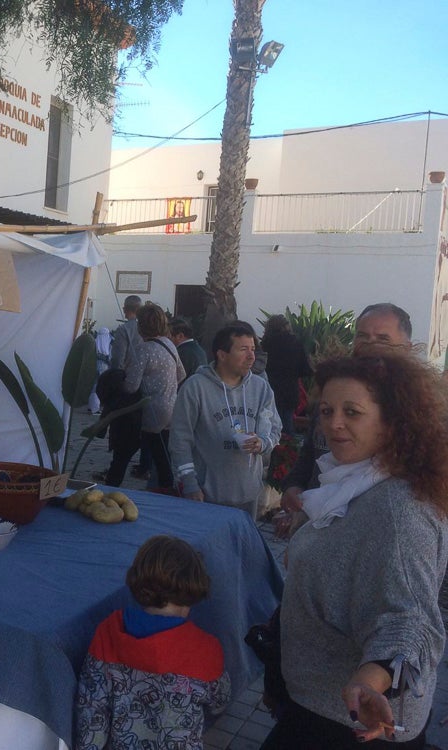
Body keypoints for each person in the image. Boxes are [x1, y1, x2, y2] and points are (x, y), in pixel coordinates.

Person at [260, 351, 448, 749]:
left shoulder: (399, 510)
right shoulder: (354, 483)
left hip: (352, 725)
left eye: (353, 412)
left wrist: (370, 680)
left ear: (393, 421)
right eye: (326, 410)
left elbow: (410, 619)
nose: (334, 423)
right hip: (321, 706)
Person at [74, 535, 231, 750]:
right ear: (194, 587)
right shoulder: (206, 649)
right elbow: (219, 702)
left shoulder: (109, 632)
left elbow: (92, 710)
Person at [278, 303, 413, 534]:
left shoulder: (416, 412)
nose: (370, 346)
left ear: (406, 348)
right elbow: (311, 453)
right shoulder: (336, 390)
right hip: (316, 525)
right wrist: (294, 486)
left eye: (383, 338)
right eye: (362, 336)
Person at [169, 322, 282, 518]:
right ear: (222, 355)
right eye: (243, 349)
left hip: (249, 495)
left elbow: (274, 430)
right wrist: (189, 485)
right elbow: (180, 440)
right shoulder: (195, 388)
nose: (252, 356)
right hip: (207, 495)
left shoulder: (260, 388)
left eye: (253, 349)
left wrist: (261, 443)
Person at [105, 303, 185, 489]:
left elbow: (131, 387)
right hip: (169, 408)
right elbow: (182, 374)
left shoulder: (144, 349)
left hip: (147, 412)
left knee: (123, 452)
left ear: (141, 325)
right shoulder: (169, 345)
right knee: (161, 456)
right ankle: (167, 490)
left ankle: (110, 486)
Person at [260, 315, 314, 435]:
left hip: (267, 391)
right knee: (286, 428)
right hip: (289, 392)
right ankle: (287, 451)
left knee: (266, 427)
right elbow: (305, 370)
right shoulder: (294, 343)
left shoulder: (264, 344)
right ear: (285, 326)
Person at [109, 295, 143, 371]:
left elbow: (118, 358)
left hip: (127, 375)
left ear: (124, 309)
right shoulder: (147, 328)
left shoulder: (123, 329)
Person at [87, 326, 113, 415]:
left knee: (93, 386)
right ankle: (96, 408)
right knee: (100, 387)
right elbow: (109, 358)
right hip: (104, 367)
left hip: (93, 366)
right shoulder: (108, 343)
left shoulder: (94, 343)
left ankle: (91, 407)